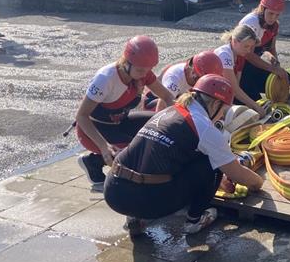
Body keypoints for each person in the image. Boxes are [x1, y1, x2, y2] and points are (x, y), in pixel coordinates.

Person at [104, 74, 264, 237]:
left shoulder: (169, 111)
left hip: (113, 192)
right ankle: (194, 220)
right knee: (210, 163)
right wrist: (258, 183)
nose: (221, 117)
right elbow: (236, 173)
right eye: (222, 111)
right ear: (216, 103)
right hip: (148, 202)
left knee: (152, 157)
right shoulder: (204, 126)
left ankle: (134, 219)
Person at [76, 36, 175, 191]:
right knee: (138, 152)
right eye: (140, 70)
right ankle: (95, 162)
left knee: (157, 130)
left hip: (120, 122)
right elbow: (81, 116)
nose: (145, 74)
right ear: (127, 63)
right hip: (93, 129)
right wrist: (103, 146)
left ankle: (95, 160)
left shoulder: (143, 71)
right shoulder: (105, 78)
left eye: (148, 69)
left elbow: (168, 96)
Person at [239, 0, 290, 100]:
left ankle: (253, 87)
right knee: (256, 101)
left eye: (277, 15)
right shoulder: (251, 22)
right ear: (262, 9)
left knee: (287, 78)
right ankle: (245, 90)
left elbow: (271, 48)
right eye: (271, 13)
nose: (273, 18)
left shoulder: (274, 25)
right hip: (241, 67)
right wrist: (272, 69)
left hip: (253, 66)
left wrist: (277, 66)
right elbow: (248, 55)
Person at [143, 50, 224, 111]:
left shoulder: (196, 74)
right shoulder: (175, 76)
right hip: (154, 102)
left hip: (177, 100)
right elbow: (163, 104)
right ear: (194, 73)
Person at [214, 24, 265, 115]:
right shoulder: (224, 54)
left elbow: (236, 87)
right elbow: (234, 88)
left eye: (251, 47)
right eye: (246, 46)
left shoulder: (240, 55)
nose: (249, 51)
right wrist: (255, 106)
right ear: (234, 41)